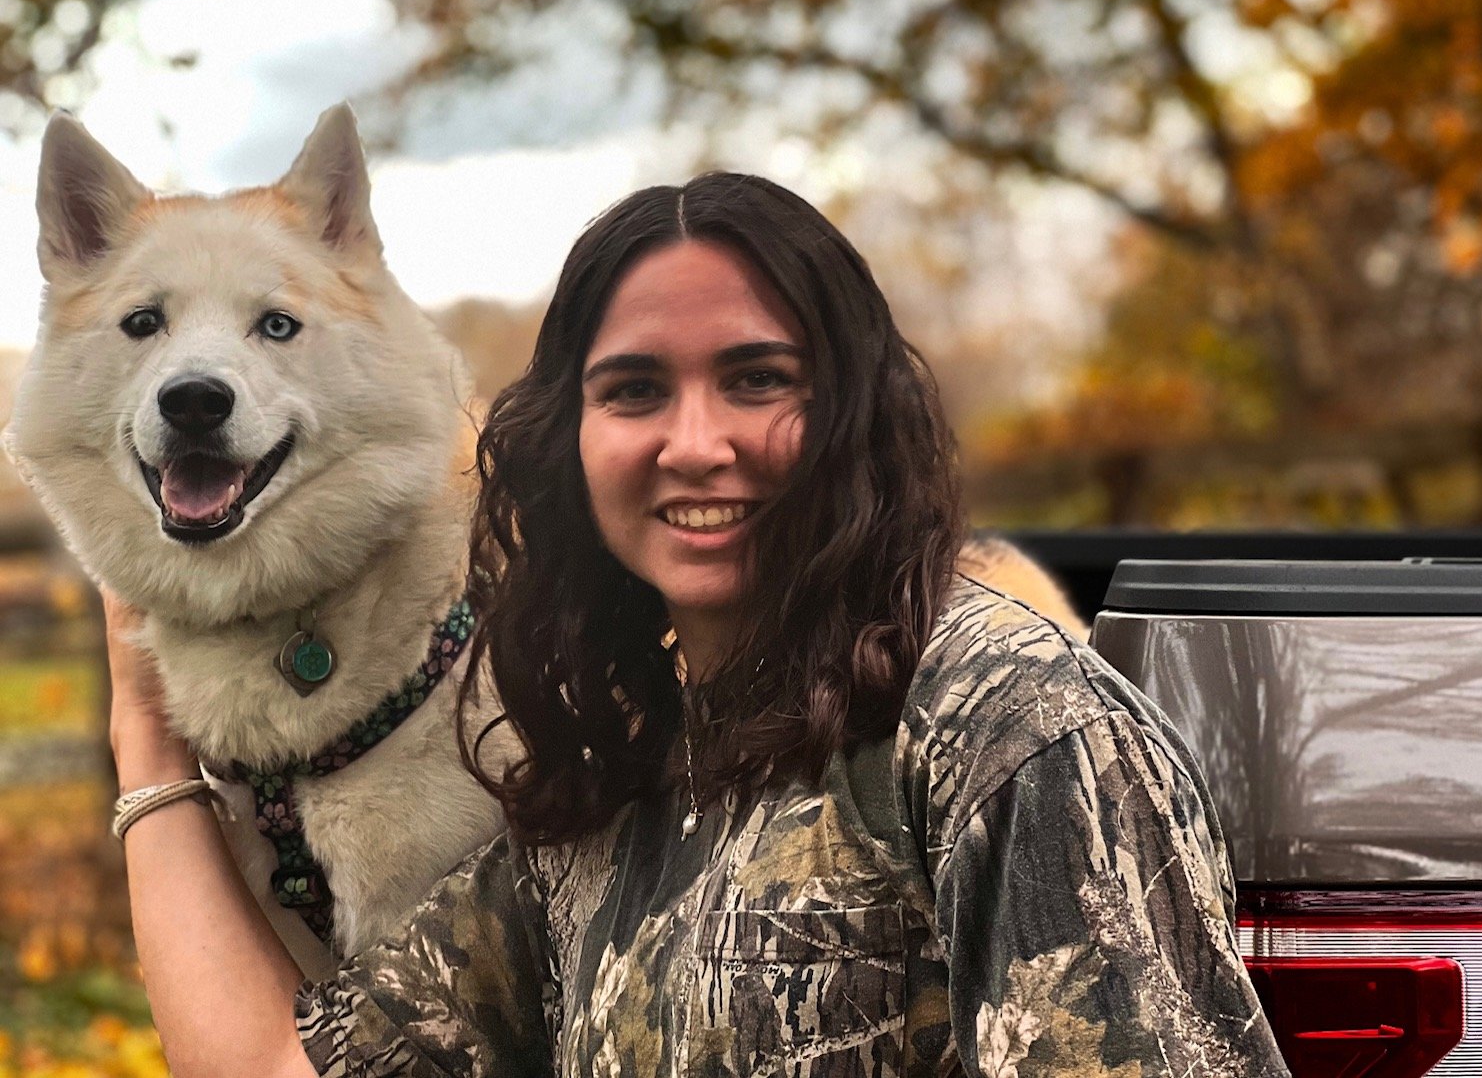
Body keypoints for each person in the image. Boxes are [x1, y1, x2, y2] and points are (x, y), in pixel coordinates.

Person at [104, 172, 1288, 1078]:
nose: (694, 442)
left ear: (853, 411)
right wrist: (149, 742)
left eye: (758, 379)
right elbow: (275, 1067)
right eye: (633, 391)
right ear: (569, 438)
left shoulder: (1006, 728)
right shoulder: (613, 773)